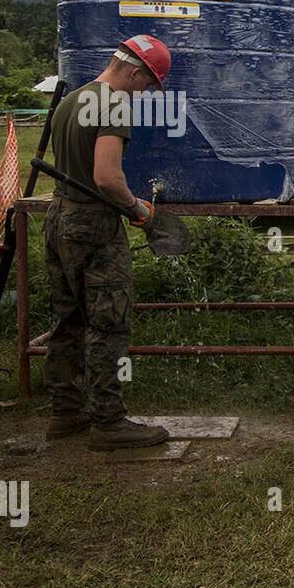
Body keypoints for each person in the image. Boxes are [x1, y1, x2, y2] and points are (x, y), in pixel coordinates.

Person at [44, 35, 172, 450]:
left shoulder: (72, 99)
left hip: (60, 217)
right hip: (94, 225)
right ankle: (109, 422)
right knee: (108, 323)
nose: (147, 92)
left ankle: (66, 413)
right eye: (149, 84)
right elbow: (107, 177)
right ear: (134, 71)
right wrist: (138, 209)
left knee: (68, 320)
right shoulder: (113, 103)